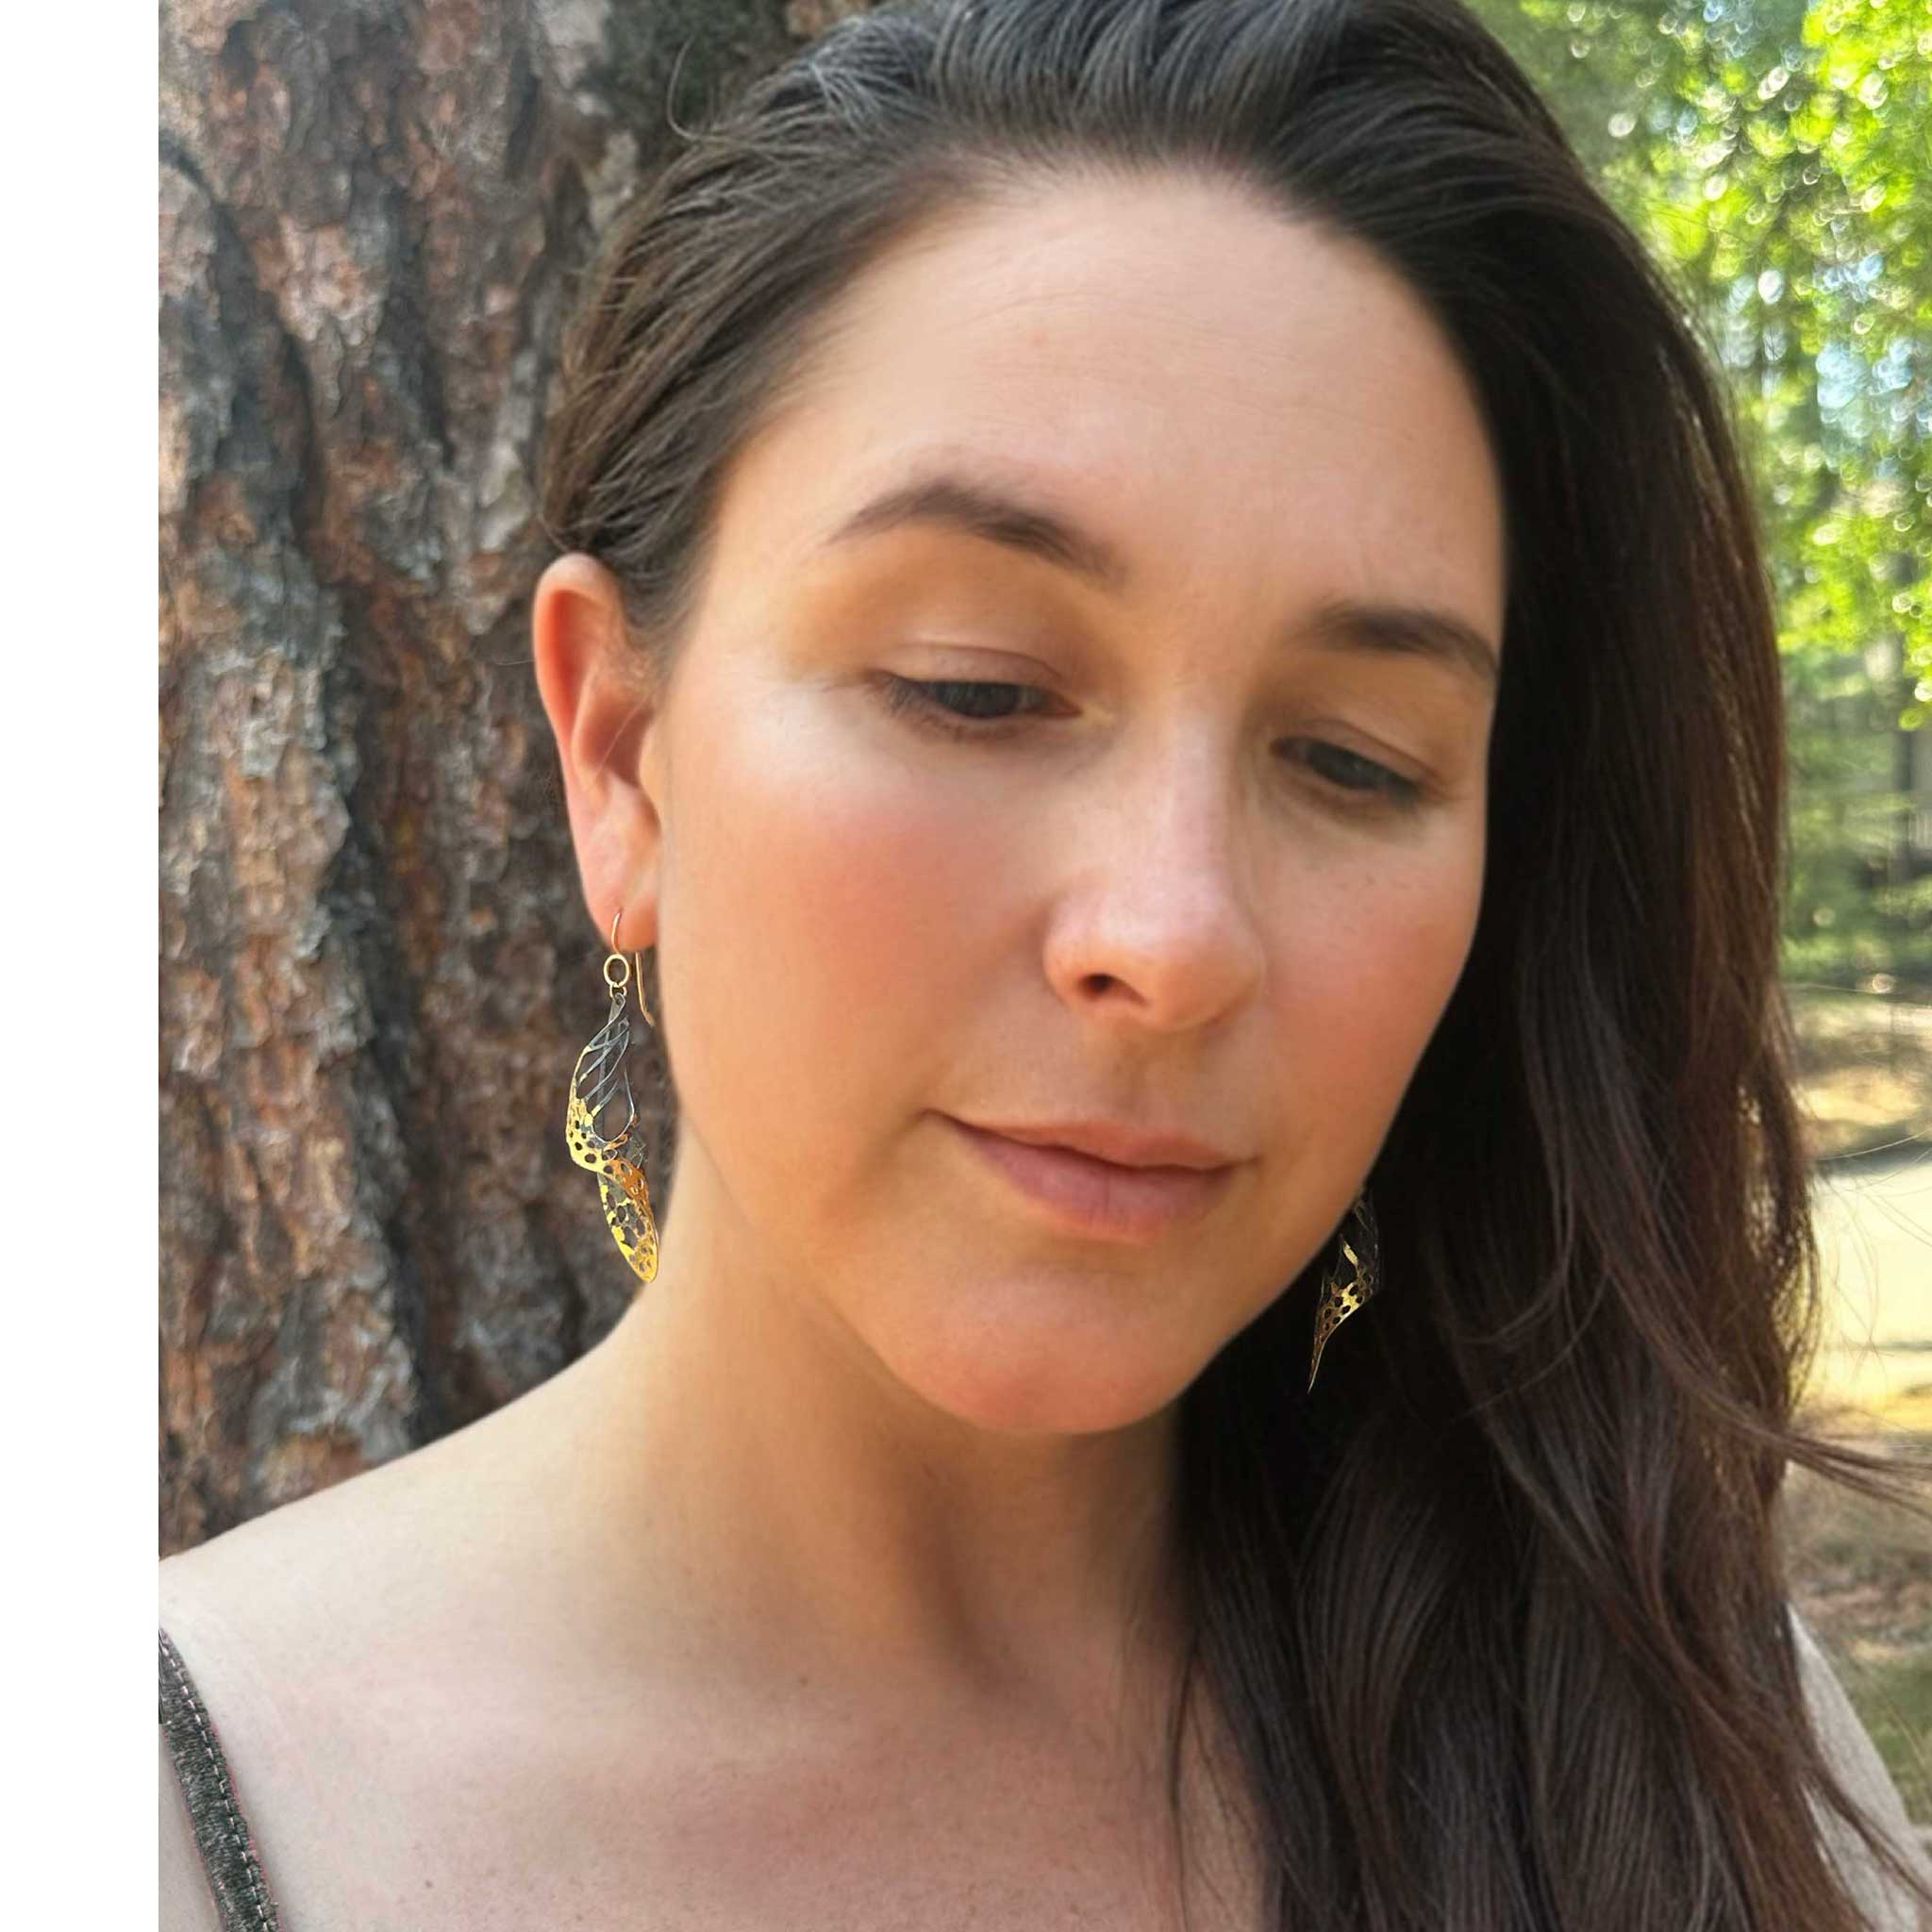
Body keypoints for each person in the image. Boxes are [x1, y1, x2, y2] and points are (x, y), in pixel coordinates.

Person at [159, 0, 1932, 1925]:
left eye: (1354, 759)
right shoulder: (169, 1813)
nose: (1170, 937)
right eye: (975, 689)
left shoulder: (1668, 1709)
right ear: (618, 753)